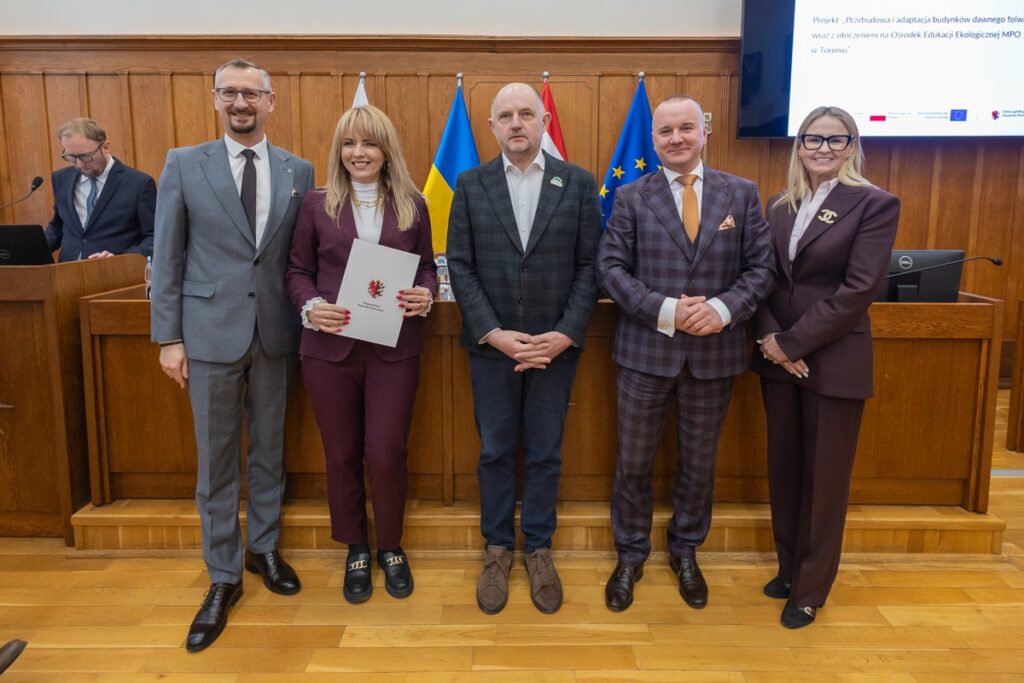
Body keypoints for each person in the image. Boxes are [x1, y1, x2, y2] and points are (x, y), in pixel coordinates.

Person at [150, 57, 314, 652]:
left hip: (276, 334)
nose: (241, 102)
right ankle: (222, 576)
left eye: (252, 93)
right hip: (208, 335)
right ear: (216, 99)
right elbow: (166, 256)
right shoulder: (183, 164)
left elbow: (301, 256)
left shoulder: (299, 169)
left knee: (269, 451)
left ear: (271, 101)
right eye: (230, 93)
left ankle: (262, 550)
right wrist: (168, 337)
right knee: (217, 463)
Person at [596, 95, 775, 613]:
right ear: (652, 140)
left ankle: (686, 551)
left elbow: (760, 269)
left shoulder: (740, 195)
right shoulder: (631, 197)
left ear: (704, 132)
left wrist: (723, 308)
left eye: (686, 129)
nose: (676, 138)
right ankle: (630, 555)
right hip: (645, 353)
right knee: (633, 463)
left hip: (715, 355)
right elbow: (610, 269)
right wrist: (667, 309)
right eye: (666, 131)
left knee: (698, 465)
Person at [447, 82, 601, 615]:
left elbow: (590, 266)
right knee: (493, 451)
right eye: (505, 116)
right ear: (492, 127)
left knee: (544, 451)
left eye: (526, 114)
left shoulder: (578, 184)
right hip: (492, 347)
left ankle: (537, 548)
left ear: (543, 121)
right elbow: (460, 266)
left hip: (555, 348)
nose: (516, 123)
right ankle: (496, 549)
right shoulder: (470, 184)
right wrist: (493, 331)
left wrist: (564, 333)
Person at [751, 106, 899, 629]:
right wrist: (770, 338)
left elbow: (858, 290)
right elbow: (762, 278)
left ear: (852, 146)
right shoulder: (780, 204)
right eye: (813, 138)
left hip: (831, 361)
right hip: (777, 359)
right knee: (786, 470)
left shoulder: (874, 204)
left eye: (836, 140)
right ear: (799, 145)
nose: (822, 148)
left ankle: (811, 589)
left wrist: (792, 342)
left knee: (824, 479)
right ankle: (789, 570)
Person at [286, 105, 436, 604]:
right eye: (349, 144)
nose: (358, 153)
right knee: (342, 453)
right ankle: (354, 544)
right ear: (339, 151)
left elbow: (427, 271)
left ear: (385, 148)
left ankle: (390, 545)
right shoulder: (315, 203)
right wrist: (310, 306)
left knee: (387, 449)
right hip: (330, 349)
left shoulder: (414, 203)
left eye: (368, 143)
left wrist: (425, 295)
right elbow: (296, 271)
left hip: (394, 348)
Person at [44, 117, 156, 261]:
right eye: (71, 156)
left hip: (113, 277)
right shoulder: (61, 179)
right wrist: (31, 251)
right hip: (66, 274)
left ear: (105, 147)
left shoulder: (139, 183)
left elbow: (153, 236)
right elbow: (58, 226)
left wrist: (121, 260)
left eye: (85, 156)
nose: (79, 164)